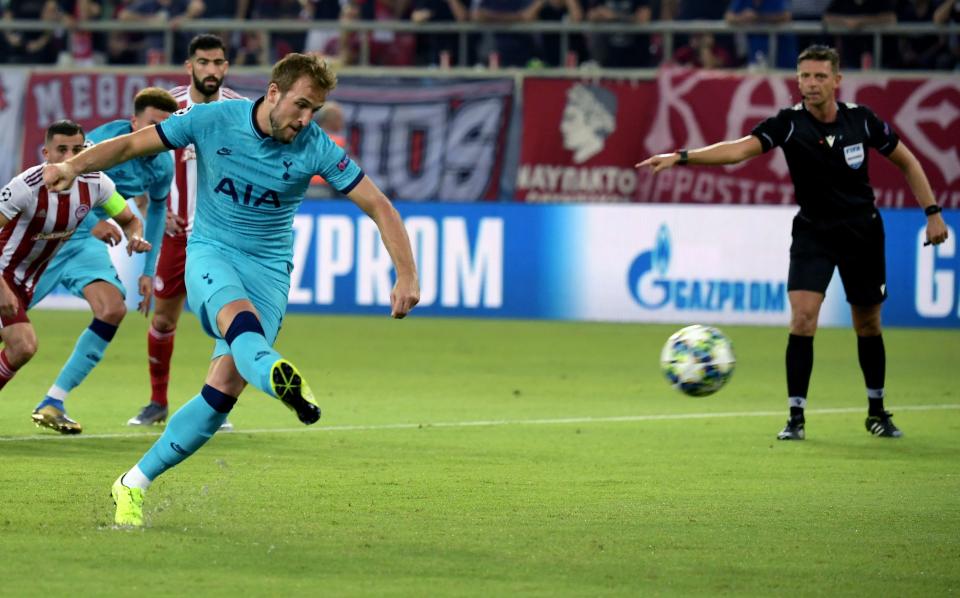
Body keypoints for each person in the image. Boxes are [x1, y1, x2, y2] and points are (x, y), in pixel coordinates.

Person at [43, 53, 420, 526]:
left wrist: (406, 274)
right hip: (211, 253)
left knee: (221, 391)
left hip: (270, 272)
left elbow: (380, 206)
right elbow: (129, 147)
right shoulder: (212, 119)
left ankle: (131, 483)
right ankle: (281, 379)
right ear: (275, 92)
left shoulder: (316, 147)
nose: (306, 119)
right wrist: (74, 166)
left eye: (315, 110)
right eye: (301, 105)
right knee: (240, 326)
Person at [636, 45, 949, 441]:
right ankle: (796, 417)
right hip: (813, 232)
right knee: (802, 318)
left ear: (837, 80)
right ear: (797, 80)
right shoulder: (787, 124)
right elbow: (736, 151)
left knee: (867, 324)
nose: (811, 83)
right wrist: (682, 156)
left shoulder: (863, 121)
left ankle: (876, 411)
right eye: (805, 76)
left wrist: (932, 212)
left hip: (862, 232)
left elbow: (908, 161)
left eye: (820, 76)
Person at [27, 88, 178, 434]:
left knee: (112, 309)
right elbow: (64, 178)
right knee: (12, 325)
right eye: (153, 126)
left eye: (166, 130)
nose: (160, 137)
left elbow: (156, 209)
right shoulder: (103, 142)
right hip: (49, 234)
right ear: (134, 122)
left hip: (82, 244)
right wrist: (95, 222)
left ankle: (53, 402)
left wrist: (148, 270)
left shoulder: (162, 163)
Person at [0, 120, 151, 429]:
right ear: (46, 152)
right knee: (23, 345)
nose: (70, 156)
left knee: (21, 346)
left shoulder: (96, 183)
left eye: (77, 150)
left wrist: (134, 234)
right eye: (62, 150)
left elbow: (127, 218)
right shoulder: (24, 187)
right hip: (3, 276)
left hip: (27, 282)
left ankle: (54, 400)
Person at [128, 34, 245, 429]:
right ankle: (157, 402)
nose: (211, 70)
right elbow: (134, 156)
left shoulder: (241, 111)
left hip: (224, 236)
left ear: (226, 67)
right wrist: (148, 204)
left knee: (226, 321)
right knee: (162, 320)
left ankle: (217, 404)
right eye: (203, 62)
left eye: (218, 62)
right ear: (189, 65)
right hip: (176, 236)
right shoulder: (169, 108)